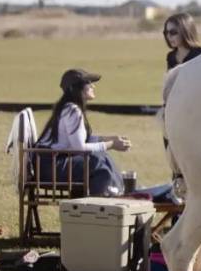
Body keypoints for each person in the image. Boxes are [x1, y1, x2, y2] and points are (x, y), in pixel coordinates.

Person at [37, 68, 179, 203]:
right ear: (76, 88)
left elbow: (82, 141)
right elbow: (79, 147)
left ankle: (122, 190)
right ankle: (103, 201)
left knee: (101, 156)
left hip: (52, 163)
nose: (93, 86)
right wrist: (111, 145)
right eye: (88, 83)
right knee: (97, 162)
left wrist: (110, 139)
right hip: (51, 166)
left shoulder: (69, 107)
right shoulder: (72, 111)